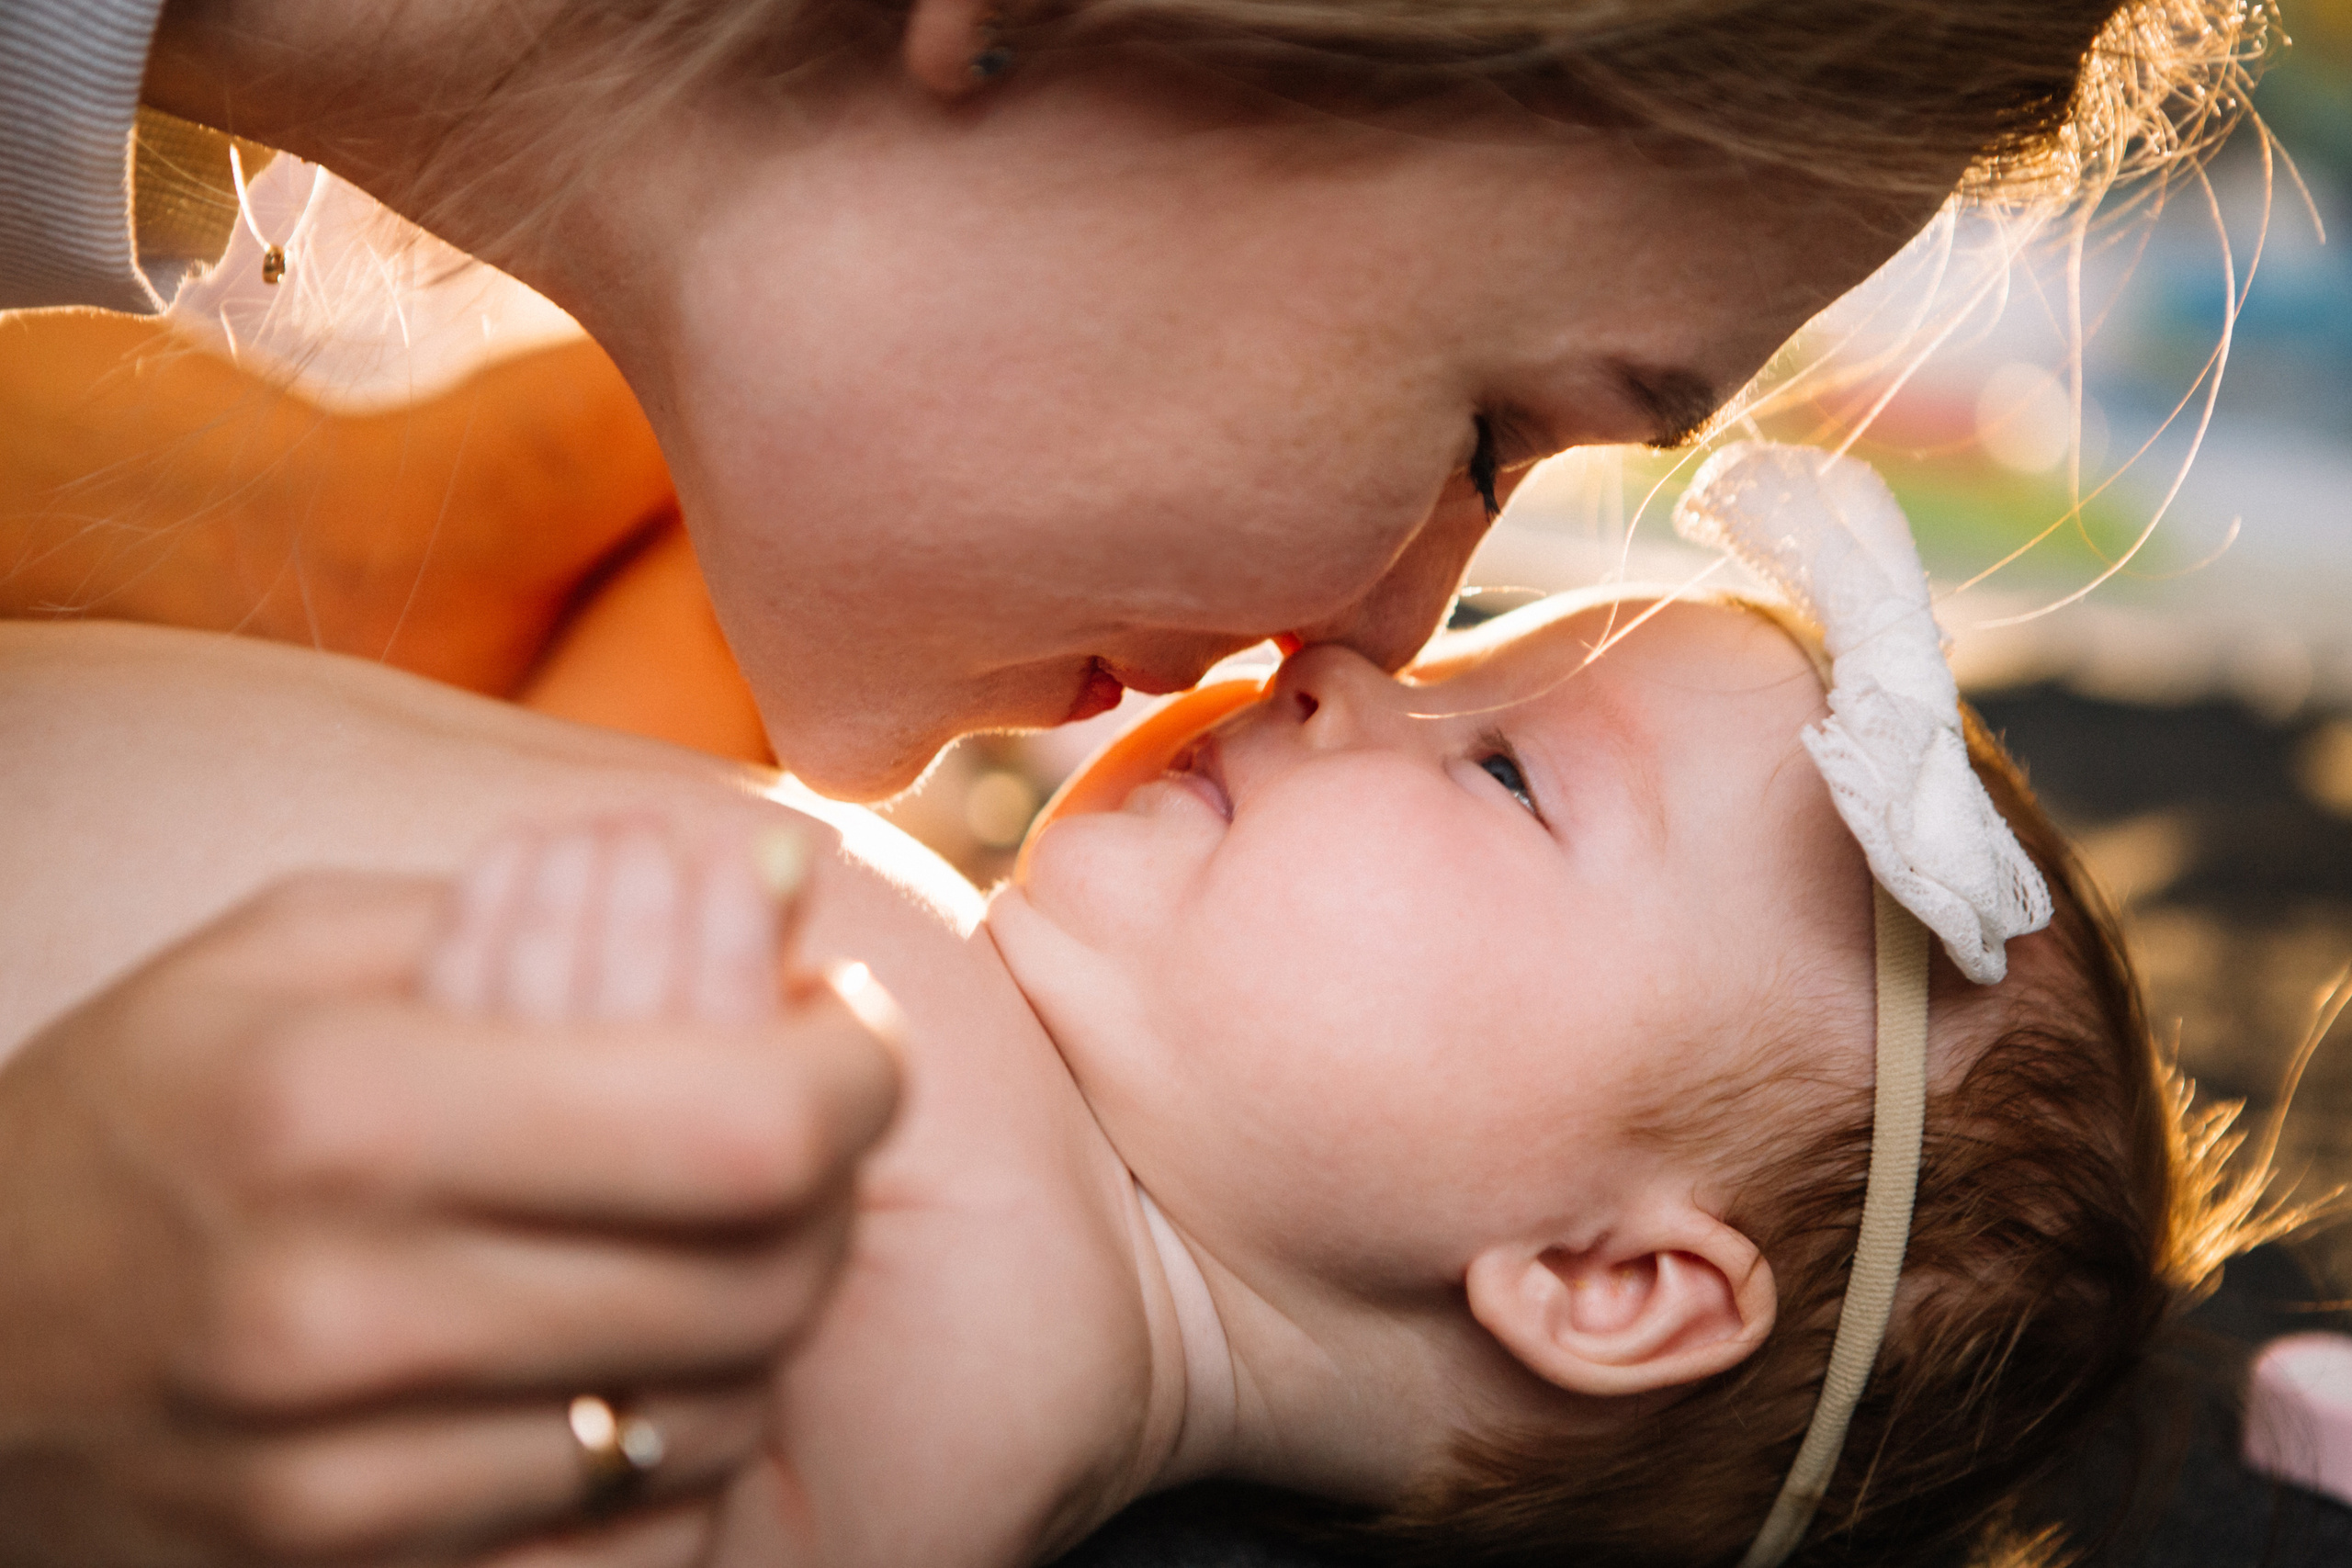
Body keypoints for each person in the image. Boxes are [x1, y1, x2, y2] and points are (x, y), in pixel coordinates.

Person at [0, 0, 2267, 1560]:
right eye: (1491, 434)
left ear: (1600, 1272)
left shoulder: (957, 1312)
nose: (1359, 651)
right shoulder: (958, 1115)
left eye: (1498, 774)